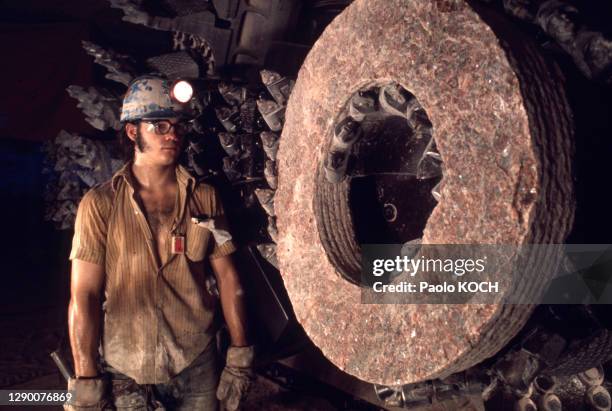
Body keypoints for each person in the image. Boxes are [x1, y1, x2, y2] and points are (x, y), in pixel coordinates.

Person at [65, 75, 253, 410]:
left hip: (196, 358)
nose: (172, 134)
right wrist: (86, 381)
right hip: (127, 363)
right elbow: (84, 294)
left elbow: (228, 278)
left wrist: (239, 357)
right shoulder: (99, 205)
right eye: (159, 125)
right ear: (133, 131)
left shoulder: (204, 198)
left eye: (178, 126)